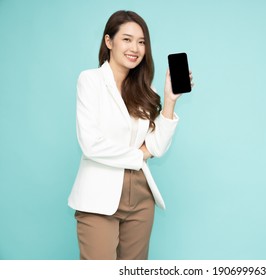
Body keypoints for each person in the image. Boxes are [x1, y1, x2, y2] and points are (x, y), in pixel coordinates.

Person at [68, 10, 193, 260]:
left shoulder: (145, 89)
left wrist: (169, 101)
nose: (135, 47)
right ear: (108, 41)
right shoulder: (90, 80)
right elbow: (91, 145)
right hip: (98, 198)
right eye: (126, 39)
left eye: (141, 41)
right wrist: (139, 155)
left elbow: (156, 147)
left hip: (141, 197)